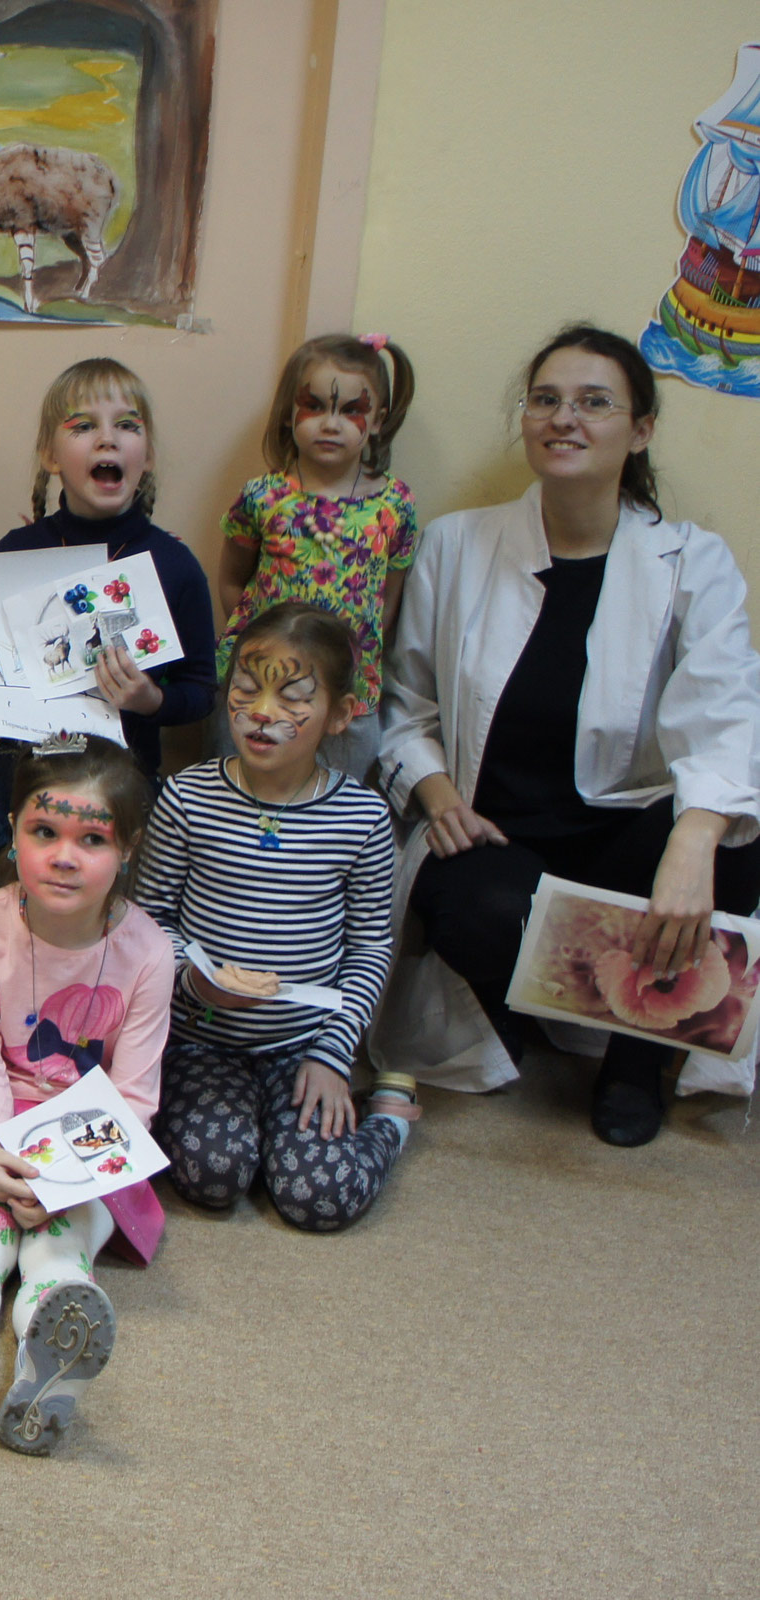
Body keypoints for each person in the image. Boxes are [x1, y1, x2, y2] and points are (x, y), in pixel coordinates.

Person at [374, 324, 760, 1147]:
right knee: (476, 906)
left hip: (627, 833)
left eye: (594, 402)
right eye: (546, 400)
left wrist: (693, 842)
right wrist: (436, 794)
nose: (564, 418)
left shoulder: (692, 562)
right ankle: (519, 1007)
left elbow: (727, 717)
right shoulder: (455, 545)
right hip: (500, 833)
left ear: (641, 429)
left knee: (735, 839)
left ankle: (635, 1055)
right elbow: (405, 707)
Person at [0, 357, 215, 1087]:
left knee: (126, 854)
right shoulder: (16, 552)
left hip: (120, 765)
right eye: (84, 426)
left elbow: (202, 692)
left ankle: (102, 1016)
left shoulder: (172, 565)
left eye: (126, 426)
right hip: (23, 759)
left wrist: (149, 700)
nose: (106, 439)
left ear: (145, 454)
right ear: (52, 455)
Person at [0, 735, 169, 1455]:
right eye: (44, 832)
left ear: (128, 849)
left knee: (60, 1243)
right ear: (13, 829)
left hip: (92, 1139)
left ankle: (49, 1350)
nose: (63, 856)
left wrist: (65, 1180)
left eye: (92, 839)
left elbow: (134, 1097)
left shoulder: (149, 951)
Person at [135, 602, 414, 1228]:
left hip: (305, 1043)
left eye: (292, 698)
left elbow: (370, 946)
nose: (262, 713)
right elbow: (148, 921)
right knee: (212, 1177)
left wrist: (334, 1054)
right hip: (201, 1041)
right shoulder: (185, 797)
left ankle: (391, 1121)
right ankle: (257, 1130)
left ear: (340, 714)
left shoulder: (363, 818)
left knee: (317, 1197)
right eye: (245, 689)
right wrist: (192, 980)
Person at [212, 332, 418, 781]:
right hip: (261, 686)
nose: (330, 423)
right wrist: (259, 648)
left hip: (347, 692)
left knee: (337, 802)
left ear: (377, 421)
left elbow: (387, 601)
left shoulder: (395, 505)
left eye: (350, 410)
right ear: (289, 413)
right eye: (315, 406)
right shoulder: (263, 497)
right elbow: (231, 580)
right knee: (243, 792)